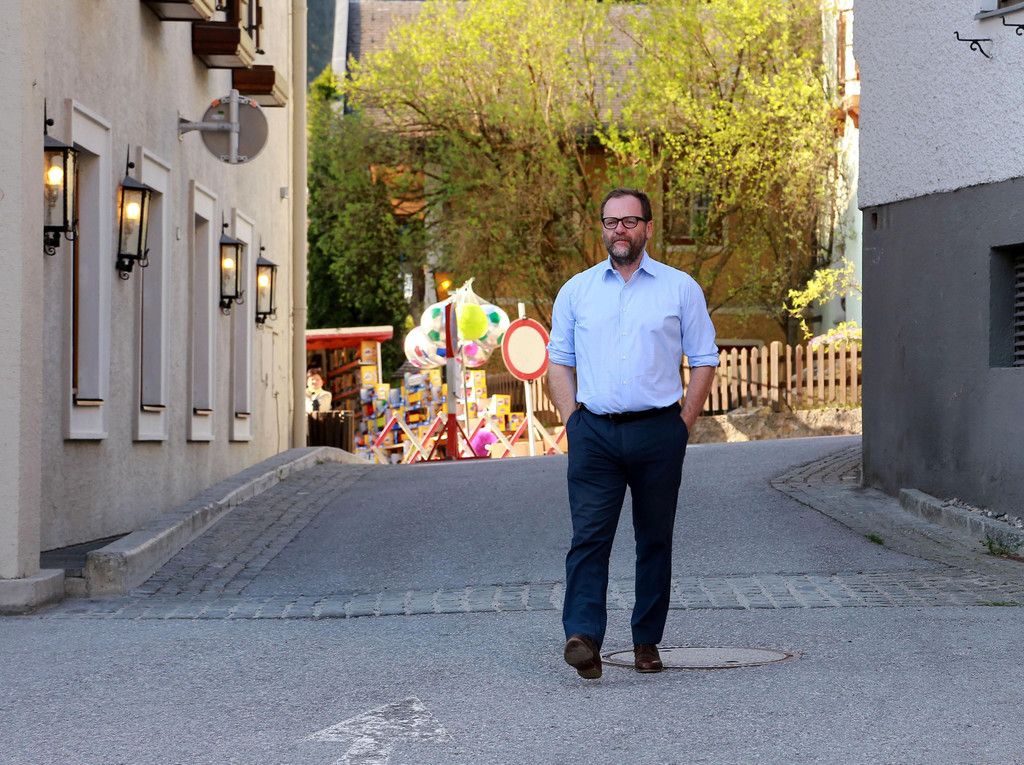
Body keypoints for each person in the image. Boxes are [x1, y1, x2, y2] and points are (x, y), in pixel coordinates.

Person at [546, 188, 719, 679]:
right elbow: (559, 361)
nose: (619, 230)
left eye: (629, 221)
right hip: (594, 433)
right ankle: (583, 638)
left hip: (658, 431)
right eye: (611, 222)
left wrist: (683, 424)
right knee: (588, 538)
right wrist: (572, 422)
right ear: (602, 228)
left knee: (654, 539)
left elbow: (704, 358)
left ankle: (646, 640)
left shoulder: (679, 288)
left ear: (648, 227)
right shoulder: (576, 291)